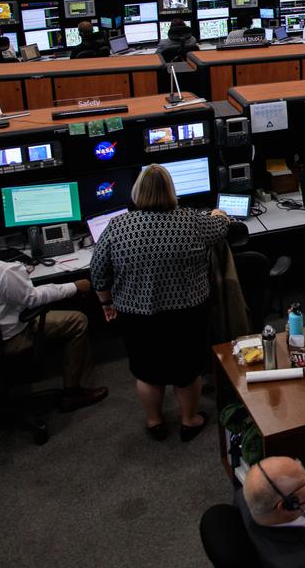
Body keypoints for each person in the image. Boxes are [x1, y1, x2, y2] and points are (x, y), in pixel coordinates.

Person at [90, 164, 230, 441]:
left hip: (137, 314)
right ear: (171, 190)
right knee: (187, 370)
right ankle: (189, 420)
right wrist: (220, 214)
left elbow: (97, 271)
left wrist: (106, 302)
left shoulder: (118, 226)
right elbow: (222, 228)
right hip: (187, 311)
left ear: (137, 192)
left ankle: (154, 420)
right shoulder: (191, 220)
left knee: (147, 371)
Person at [0, 212, 107, 411]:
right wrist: (74, 286)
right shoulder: (1, 270)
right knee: (78, 320)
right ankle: (72, 393)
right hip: (7, 339)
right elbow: (32, 299)